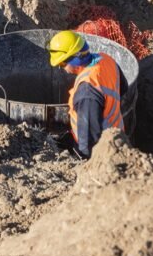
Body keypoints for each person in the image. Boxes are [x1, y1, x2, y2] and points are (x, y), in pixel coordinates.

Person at [48, 30, 128, 159]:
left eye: (62, 64)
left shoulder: (87, 91)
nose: (61, 68)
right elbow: (123, 88)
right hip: (118, 139)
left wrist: (86, 164)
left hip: (103, 153)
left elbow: (88, 139)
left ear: (75, 60)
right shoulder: (107, 60)